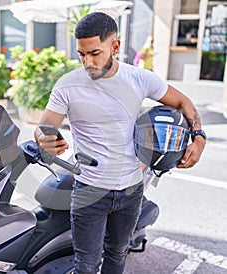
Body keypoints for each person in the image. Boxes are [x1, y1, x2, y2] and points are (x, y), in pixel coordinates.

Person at [34, 12, 206, 274]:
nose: (87, 62)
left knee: (117, 256)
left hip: (131, 191)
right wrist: (44, 140)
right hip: (89, 191)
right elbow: (43, 128)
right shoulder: (67, 86)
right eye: (81, 54)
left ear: (115, 46)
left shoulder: (139, 78)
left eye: (95, 53)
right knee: (87, 265)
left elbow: (184, 103)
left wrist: (199, 138)